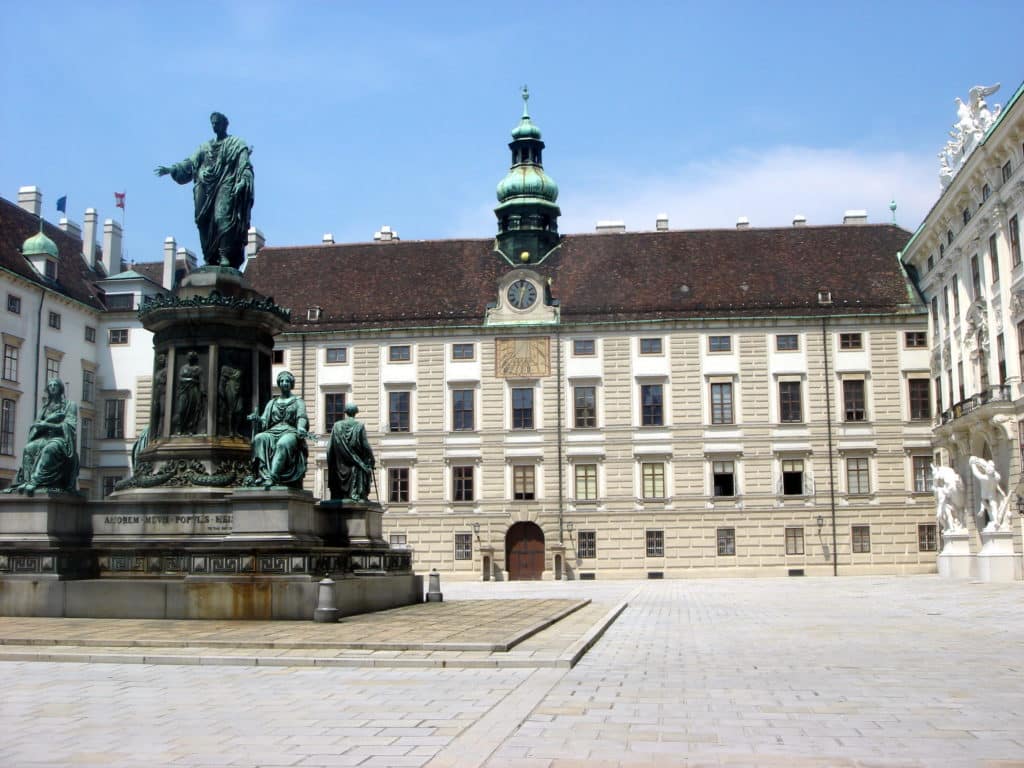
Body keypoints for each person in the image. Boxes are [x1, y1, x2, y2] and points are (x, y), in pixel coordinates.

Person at [155, 112, 254, 269]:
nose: (215, 126)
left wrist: (242, 181)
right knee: (202, 221)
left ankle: (224, 255)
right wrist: (172, 169)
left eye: (217, 123)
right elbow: (190, 163)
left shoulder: (237, 144)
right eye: (212, 123)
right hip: (205, 187)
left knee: (223, 217)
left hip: (226, 184)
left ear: (224, 124)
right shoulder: (204, 147)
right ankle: (210, 255)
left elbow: (245, 166)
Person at [4, 379, 79, 495]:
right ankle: (27, 480)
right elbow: (36, 426)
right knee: (29, 448)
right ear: (48, 389)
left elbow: (70, 426)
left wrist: (47, 424)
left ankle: (35, 481)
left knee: (50, 449)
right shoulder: (45, 407)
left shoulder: (70, 405)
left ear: (60, 388)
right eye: (50, 385)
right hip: (44, 438)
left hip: (61, 439)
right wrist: (48, 420)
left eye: (55, 385)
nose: (53, 387)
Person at [248, 371, 308, 489]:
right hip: (273, 431)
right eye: (282, 381)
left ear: (291, 384)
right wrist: (257, 419)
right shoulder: (272, 402)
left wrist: (301, 427)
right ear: (279, 384)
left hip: (290, 431)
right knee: (259, 438)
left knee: (283, 443)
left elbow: (302, 417)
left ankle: (272, 476)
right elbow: (264, 421)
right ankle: (264, 475)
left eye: (287, 381)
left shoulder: (298, 401)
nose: (284, 383)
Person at [327, 403, 376, 502]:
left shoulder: (336, 426)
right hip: (355, 466)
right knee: (364, 468)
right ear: (355, 413)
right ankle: (358, 494)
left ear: (345, 412)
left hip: (339, 467)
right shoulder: (359, 426)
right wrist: (372, 459)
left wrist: (331, 462)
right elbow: (365, 445)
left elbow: (330, 448)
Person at [969, 456, 1009, 532]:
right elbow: (997, 478)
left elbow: (975, 473)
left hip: (984, 495)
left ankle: (982, 509)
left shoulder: (984, 478)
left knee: (984, 502)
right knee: (994, 507)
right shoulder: (995, 479)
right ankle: (996, 521)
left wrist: (972, 464)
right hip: (992, 495)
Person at [173, 351, 205, 435]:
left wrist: (202, 391)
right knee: (181, 409)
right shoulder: (183, 368)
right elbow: (180, 378)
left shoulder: (198, 369)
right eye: (188, 356)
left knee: (192, 410)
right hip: (184, 390)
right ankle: (180, 428)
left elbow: (202, 381)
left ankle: (191, 429)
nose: (190, 358)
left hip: (193, 390)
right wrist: (190, 379)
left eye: (191, 356)